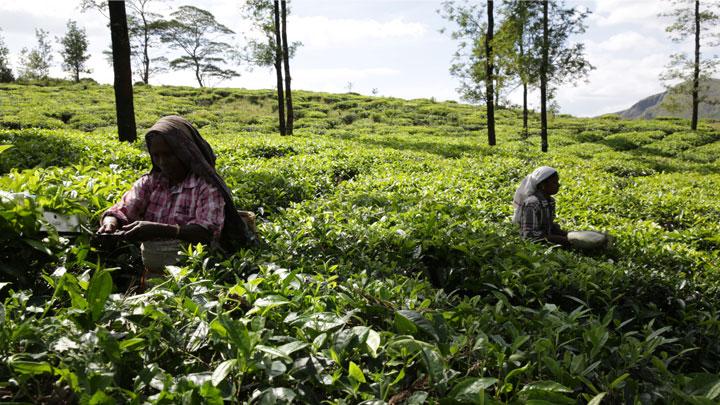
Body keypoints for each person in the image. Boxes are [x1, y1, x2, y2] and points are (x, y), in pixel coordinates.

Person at [97, 116, 255, 284]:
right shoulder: (150, 183)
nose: (162, 162)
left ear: (185, 152)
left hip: (197, 281)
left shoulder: (206, 187)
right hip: (153, 277)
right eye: (156, 155)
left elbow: (207, 232)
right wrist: (110, 223)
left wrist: (160, 230)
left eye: (169, 155)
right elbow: (123, 209)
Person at [512, 166, 569, 247]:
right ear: (542, 185)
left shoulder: (550, 201)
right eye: (554, 182)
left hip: (544, 237)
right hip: (533, 245)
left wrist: (566, 234)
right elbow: (529, 236)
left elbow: (548, 225)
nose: (558, 185)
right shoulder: (532, 203)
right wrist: (562, 240)